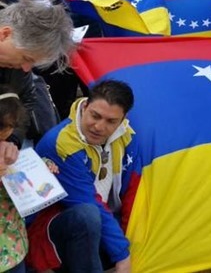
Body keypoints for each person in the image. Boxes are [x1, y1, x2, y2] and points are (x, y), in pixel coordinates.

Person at [28, 80, 138, 273]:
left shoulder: (127, 134)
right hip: (54, 229)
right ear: (85, 105)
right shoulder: (61, 144)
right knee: (88, 215)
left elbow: (133, 187)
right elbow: (86, 202)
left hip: (105, 220)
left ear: (123, 119)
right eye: (95, 116)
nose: (99, 127)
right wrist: (122, 255)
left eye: (111, 121)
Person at [0, 0, 74, 147]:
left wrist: (11, 140)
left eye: (32, 62)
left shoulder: (17, 64)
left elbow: (26, 99)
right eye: (26, 58)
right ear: (5, 34)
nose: (27, 68)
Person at [0, 87, 33, 273]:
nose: (8, 132)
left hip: (13, 246)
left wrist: (44, 169)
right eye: (4, 127)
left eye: (12, 126)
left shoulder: (9, 146)